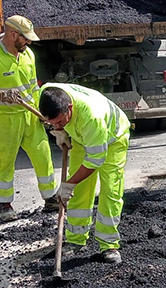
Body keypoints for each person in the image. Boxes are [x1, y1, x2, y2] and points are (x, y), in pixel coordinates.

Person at [0, 15, 57, 222]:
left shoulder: (28, 55)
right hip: (6, 120)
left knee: (43, 157)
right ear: (13, 34)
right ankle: (4, 205)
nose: (29, 42)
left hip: (30, 116)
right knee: (4, 162)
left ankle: (51, 198)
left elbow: (34, 86)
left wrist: (42, 110)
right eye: (25, 38)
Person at [39, 83, 130, 264]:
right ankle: (75, 239)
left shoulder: (92, 118)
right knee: (79, 190)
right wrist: (60, 130)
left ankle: (109, 244)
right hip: (81, 137)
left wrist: (68, 184)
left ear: (70, 108)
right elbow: (52, 116)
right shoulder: (47, 93)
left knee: (110, 190)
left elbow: (95, 160)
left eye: (59, 121)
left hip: (113, 138)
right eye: (52, 122)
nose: (56, 125)